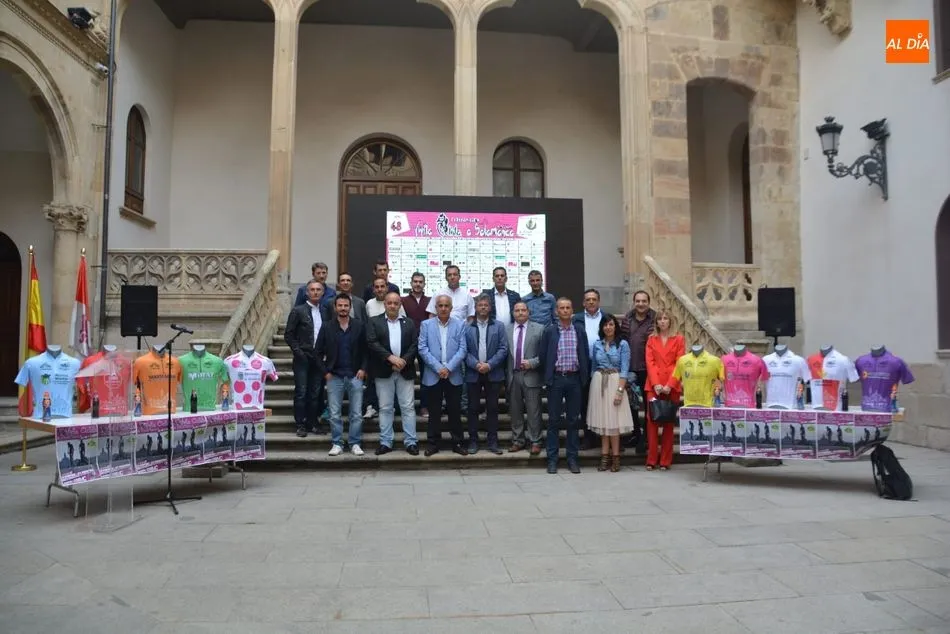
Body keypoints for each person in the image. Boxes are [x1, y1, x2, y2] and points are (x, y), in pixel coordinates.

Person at [540, 297, 590, 474]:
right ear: (556, 311)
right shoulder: (550, 331)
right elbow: (543, 356)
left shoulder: (579, 330)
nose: (565, 310)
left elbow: (584, 353)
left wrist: (583, 377)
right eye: (561, 308)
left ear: (572, 310)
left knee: (573, 420)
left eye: (568, 307)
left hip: (574, 379)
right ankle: (552, 459)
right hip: (556, 379)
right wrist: (548, 377)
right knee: (553, 420)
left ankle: (572, 458)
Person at [366, 292, 419, 455]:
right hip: (383, 370)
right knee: (385, 408)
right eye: (389, 303)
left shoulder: (409, 323)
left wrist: (403, 361)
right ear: (385, 304)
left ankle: (411, 442)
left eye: (396, 303)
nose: (393, 306)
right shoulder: (374, 322)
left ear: (400, 305)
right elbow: (372, 343)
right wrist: (391, 358)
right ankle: (386, 442)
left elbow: (415, 344)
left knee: (408, 407)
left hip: (405, 370)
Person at [316, 293, 368, 456]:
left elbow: (367, 350)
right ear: (335, 307)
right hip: (334, 376)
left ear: (350, 307)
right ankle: (337, 443)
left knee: (357, 414)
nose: (343, 308)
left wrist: (363, 369)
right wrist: (325, 372)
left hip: (355, 375)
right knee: (334, 414)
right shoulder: (327, 327)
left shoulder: (359, 325)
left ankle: (355, 443)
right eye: (340, 305)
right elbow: (317, 352)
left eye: (346, 305)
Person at [418, 295, 468, 457]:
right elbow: (422, 348)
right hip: (433, 375)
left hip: (453, 374)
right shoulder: (426, 325)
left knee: (455, 411)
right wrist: (439, 368)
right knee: (434, 412)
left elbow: (463, 349)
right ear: (436, 308)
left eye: (447, 306)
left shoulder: (460, 325)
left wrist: (449, 368)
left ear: (451, 308)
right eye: (440, 305)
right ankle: (433, 444)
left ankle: (457, 443)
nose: (443, 308)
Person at [587, 314, 634, 472]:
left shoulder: (623, 344)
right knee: (603, 422)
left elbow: (625, 369)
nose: (608, 327)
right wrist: (594, 382)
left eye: (611, 324)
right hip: (599, 383)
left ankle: (616, 457)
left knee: (614, 423)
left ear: (615, 326)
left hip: (615, 382)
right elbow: (593, 366)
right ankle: (604, 456)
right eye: (605, 325)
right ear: (602, 327)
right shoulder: (597, 344)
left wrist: (620, 391)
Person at [464, 294, 508, 455]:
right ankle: (473, 441)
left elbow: (503, 348)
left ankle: (493, 441)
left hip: (493, 372)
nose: (483, 307)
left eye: (485, 305)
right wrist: (476, 364)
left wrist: (489, 364)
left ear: (490, 308)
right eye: (480, 305)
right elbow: (463, 350)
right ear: (475, 308)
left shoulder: (499, 326)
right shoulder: (467, 327)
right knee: (472, 408)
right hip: (473, 373)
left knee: (493, 408)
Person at [284, 280, 328, 437]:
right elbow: (289, 335)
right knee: (301, 391)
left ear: (323, 292)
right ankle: (300, 424)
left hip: (319, 358)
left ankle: (313, 422)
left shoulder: (326, 311)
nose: (315, 292)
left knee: (316, 392)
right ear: (307, 292)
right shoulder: (298, 311)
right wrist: (298, 352)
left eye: (318, 289)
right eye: (312, 289)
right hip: (302, 357)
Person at [645, 310, 685, 470]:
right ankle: (651, 460)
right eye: (660, 319)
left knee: (668, 424)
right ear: (656, 322)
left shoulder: (679, 339)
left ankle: (665, 461)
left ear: (670, 321)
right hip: (653, 385)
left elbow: (680, 363)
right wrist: (656, 384)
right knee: (652, 423)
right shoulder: (651, 339)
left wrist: (670, 384)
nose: (662, 321)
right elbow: (650, 362)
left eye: (665, 318)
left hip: (671, 385)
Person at [506, 302, 544, 454]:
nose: (520, 313)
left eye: (523, 310)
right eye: (517, 310)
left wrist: (532, 363)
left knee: (534, 411)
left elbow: (545, 354)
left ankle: (535, 441)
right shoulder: (507, 329)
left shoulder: (539, 329)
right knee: (515, 411)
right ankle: (518, 440)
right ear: (513, 313)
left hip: (532, 375)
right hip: (513, 375)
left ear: (529, 312)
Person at [621, 290, 655, 449]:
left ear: (648, 302)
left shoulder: (655, 319)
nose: (641, 304)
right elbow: (623, 341)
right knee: (631, 404)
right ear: (634, 302)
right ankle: (636, 433)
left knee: (648, 405)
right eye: (638, 301)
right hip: (630, 368)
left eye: (644, 301)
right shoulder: (627, 319)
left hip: (648, 369)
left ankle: (647, 437)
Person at [401, 272, 431, 421]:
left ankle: (424, 406)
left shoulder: (430, 301)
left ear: (424, 284)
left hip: (425, 343)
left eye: (420, 282)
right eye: (415, 281)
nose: (418, 284)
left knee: (426, 375)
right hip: (408, 343)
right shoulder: (403, 300)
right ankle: (404, 406)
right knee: (405, 375)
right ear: (411, 283)